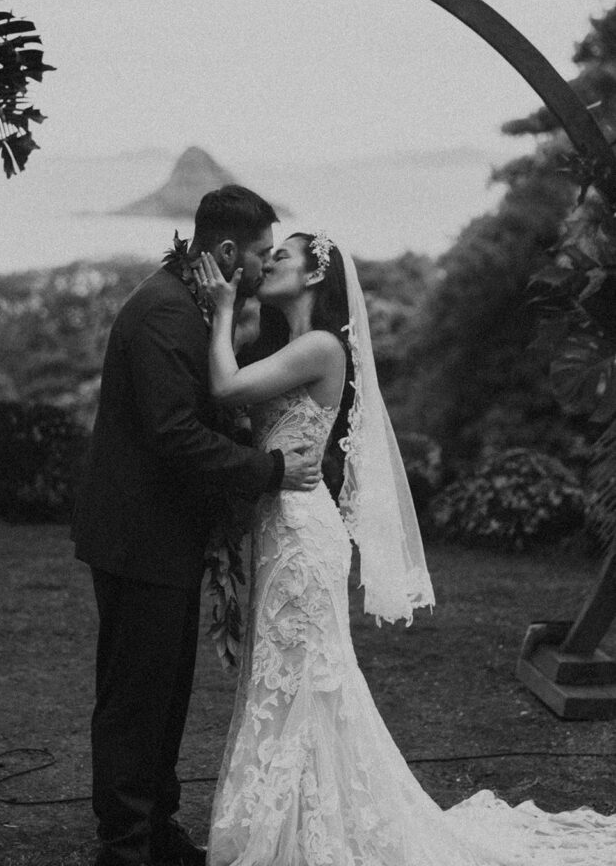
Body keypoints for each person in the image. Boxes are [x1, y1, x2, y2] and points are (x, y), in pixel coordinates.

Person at [194, 231, 616, 866]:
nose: (268, 262)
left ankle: (303, 834)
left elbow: (226, 390)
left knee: (304, 681)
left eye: (282, 256)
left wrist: (223, 307)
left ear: (314, 276)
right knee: (285, 681)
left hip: (302, 534)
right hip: (282, 527)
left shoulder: (318, 345)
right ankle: (293, 824)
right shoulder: (289, 344)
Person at [71, 186, 322, 866]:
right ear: (227, 252)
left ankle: (156, 827)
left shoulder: (193, 305)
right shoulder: (163, 314)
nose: (267, 266)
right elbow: (174, 434)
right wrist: (268, 470)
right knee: (135, 696)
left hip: (165, 533)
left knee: (167, 688)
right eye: (263, 253)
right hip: (136, 533)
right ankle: (124, 846)